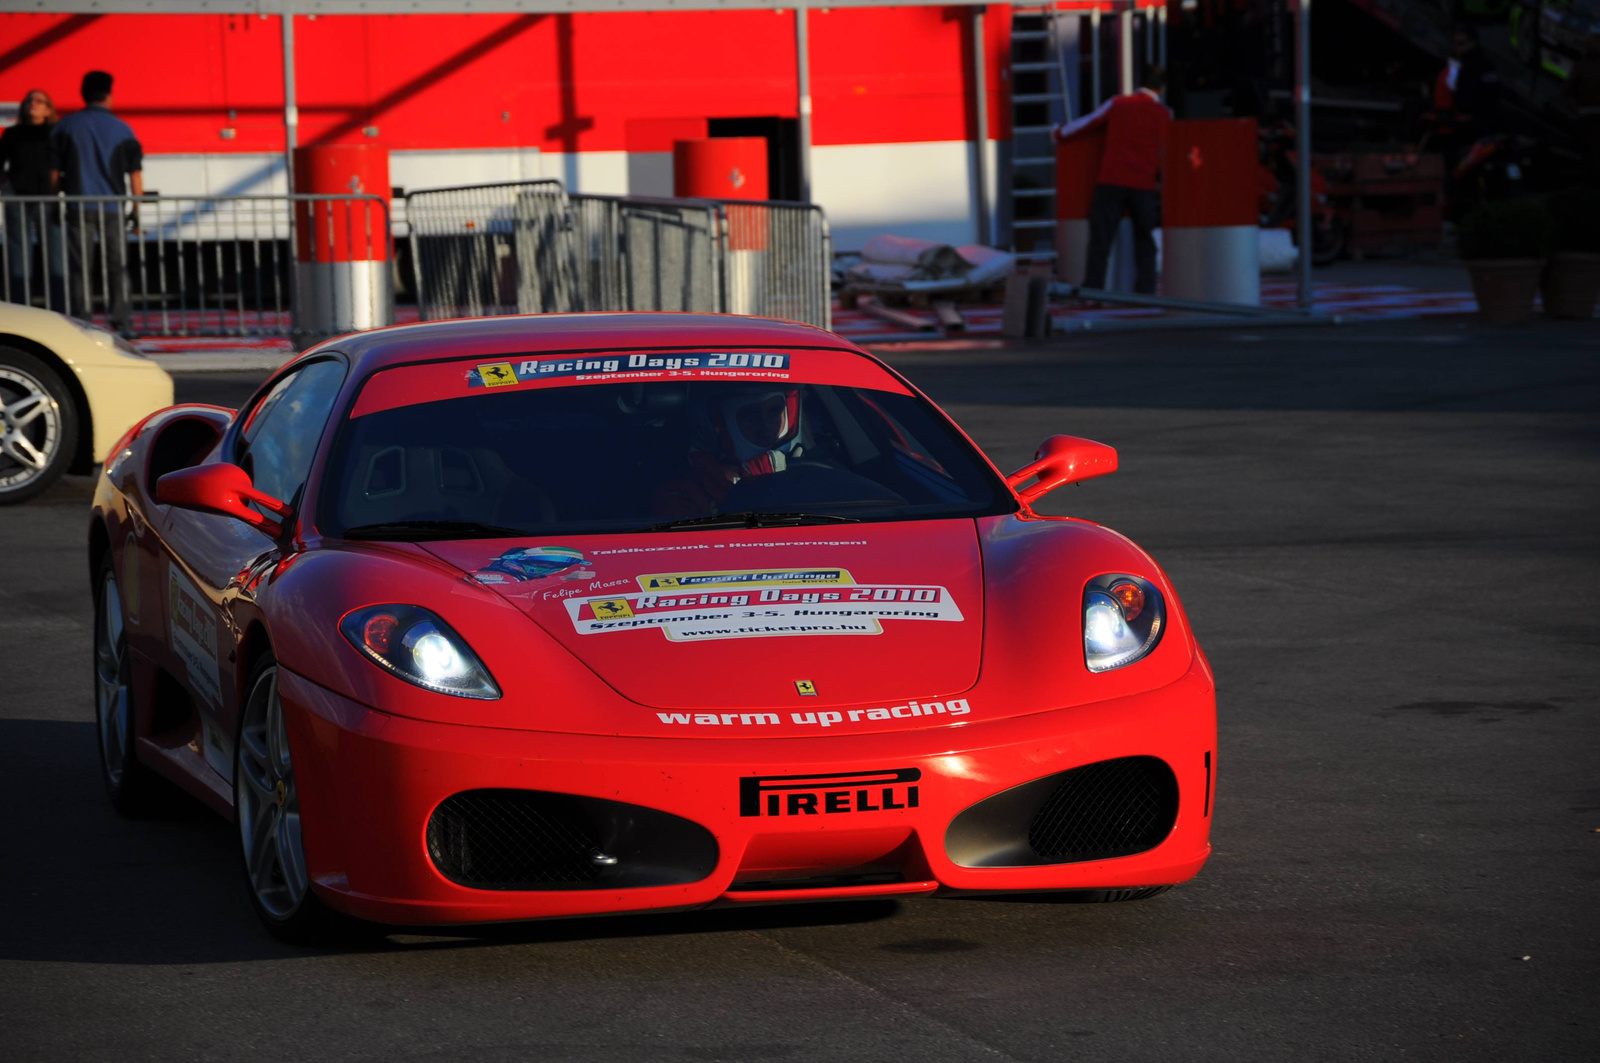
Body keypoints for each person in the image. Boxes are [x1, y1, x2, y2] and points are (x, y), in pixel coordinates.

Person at [1056, 66, 1174, 295]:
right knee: (1145, 243)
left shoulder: (1118, 104)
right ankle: (1146, 291)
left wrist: (1058, 133)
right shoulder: (1164, 114)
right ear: (1162, 88)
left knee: (1100, 239)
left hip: (1112, 179)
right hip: (1144, 184)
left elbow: (1087, 122)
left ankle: (1093, 289)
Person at [49, 70, 144, 330]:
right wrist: (136, 209)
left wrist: (54, 199)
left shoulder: (66, 126)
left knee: (80, 268)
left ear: (83, 94)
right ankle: (122, 321)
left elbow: (54, 173)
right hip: (112, 207)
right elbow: (135, 173)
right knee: (118, 266)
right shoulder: (123, 129)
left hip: (77, 207)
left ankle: (82, 321)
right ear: (109, 95)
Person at [654, 386, 806, 516]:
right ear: (718, 425)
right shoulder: (683, 493)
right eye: (749, 415)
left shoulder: (810, 471)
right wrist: (757, 484)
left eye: (774, 411)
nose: (765, 426)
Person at [1, 89, 64, 306]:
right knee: (19, 257)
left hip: (48, 200)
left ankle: (59, 308)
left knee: (56, 257)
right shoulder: (12, 134)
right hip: (18, 199)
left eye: (39, 101)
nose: (33, 104)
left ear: (48, 109)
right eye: (29, 100)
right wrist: (7, 187)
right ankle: (20, 307)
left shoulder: (55, 132)